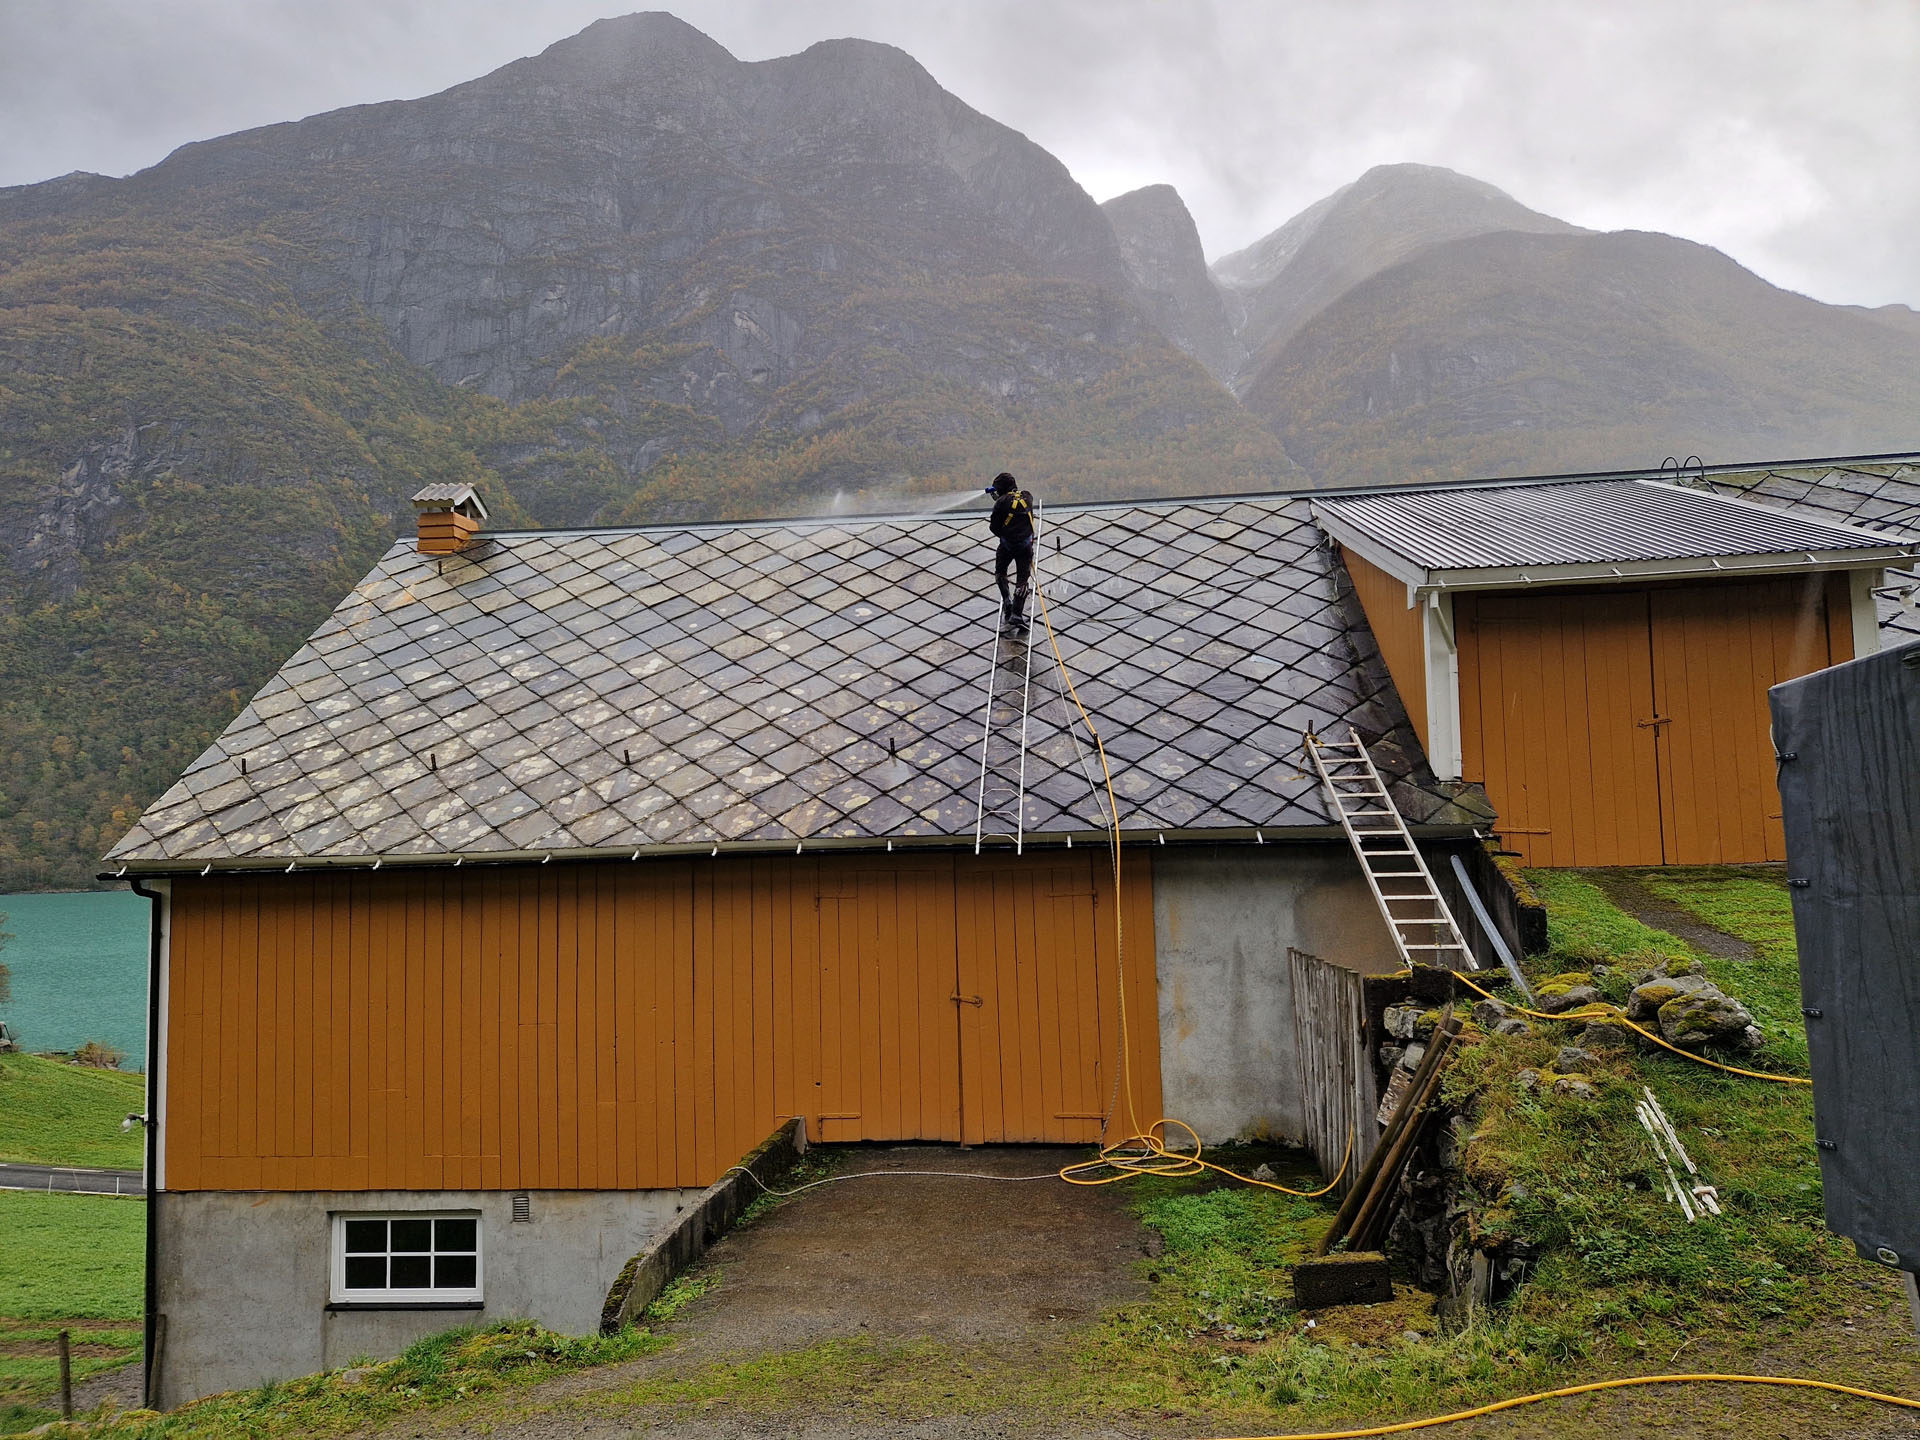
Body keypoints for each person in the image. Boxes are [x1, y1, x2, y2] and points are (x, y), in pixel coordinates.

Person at [986, 471, 1036, 627]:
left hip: (1006, 545)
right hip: (1025, 547)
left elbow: (994, 527)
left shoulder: (1000, 502)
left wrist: (998, 500)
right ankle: (1017, 614)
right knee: (1022, 579)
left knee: (1000, 572)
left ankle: (1007, 601)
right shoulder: (1027, 496)